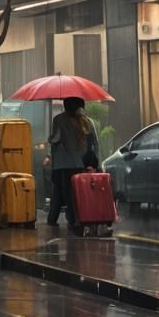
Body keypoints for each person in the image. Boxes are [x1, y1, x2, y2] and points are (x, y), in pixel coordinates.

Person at [48, 96, 99, 228]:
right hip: (80, 163)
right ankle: (74, 217)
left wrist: (50, 139)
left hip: (62, 164)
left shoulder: (59, 119)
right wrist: (96, 163)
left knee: (60, 192)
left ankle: (56, 218)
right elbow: (95, 143)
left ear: (66, 106)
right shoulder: (87, 121)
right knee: (76, 192)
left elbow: (56, 138)